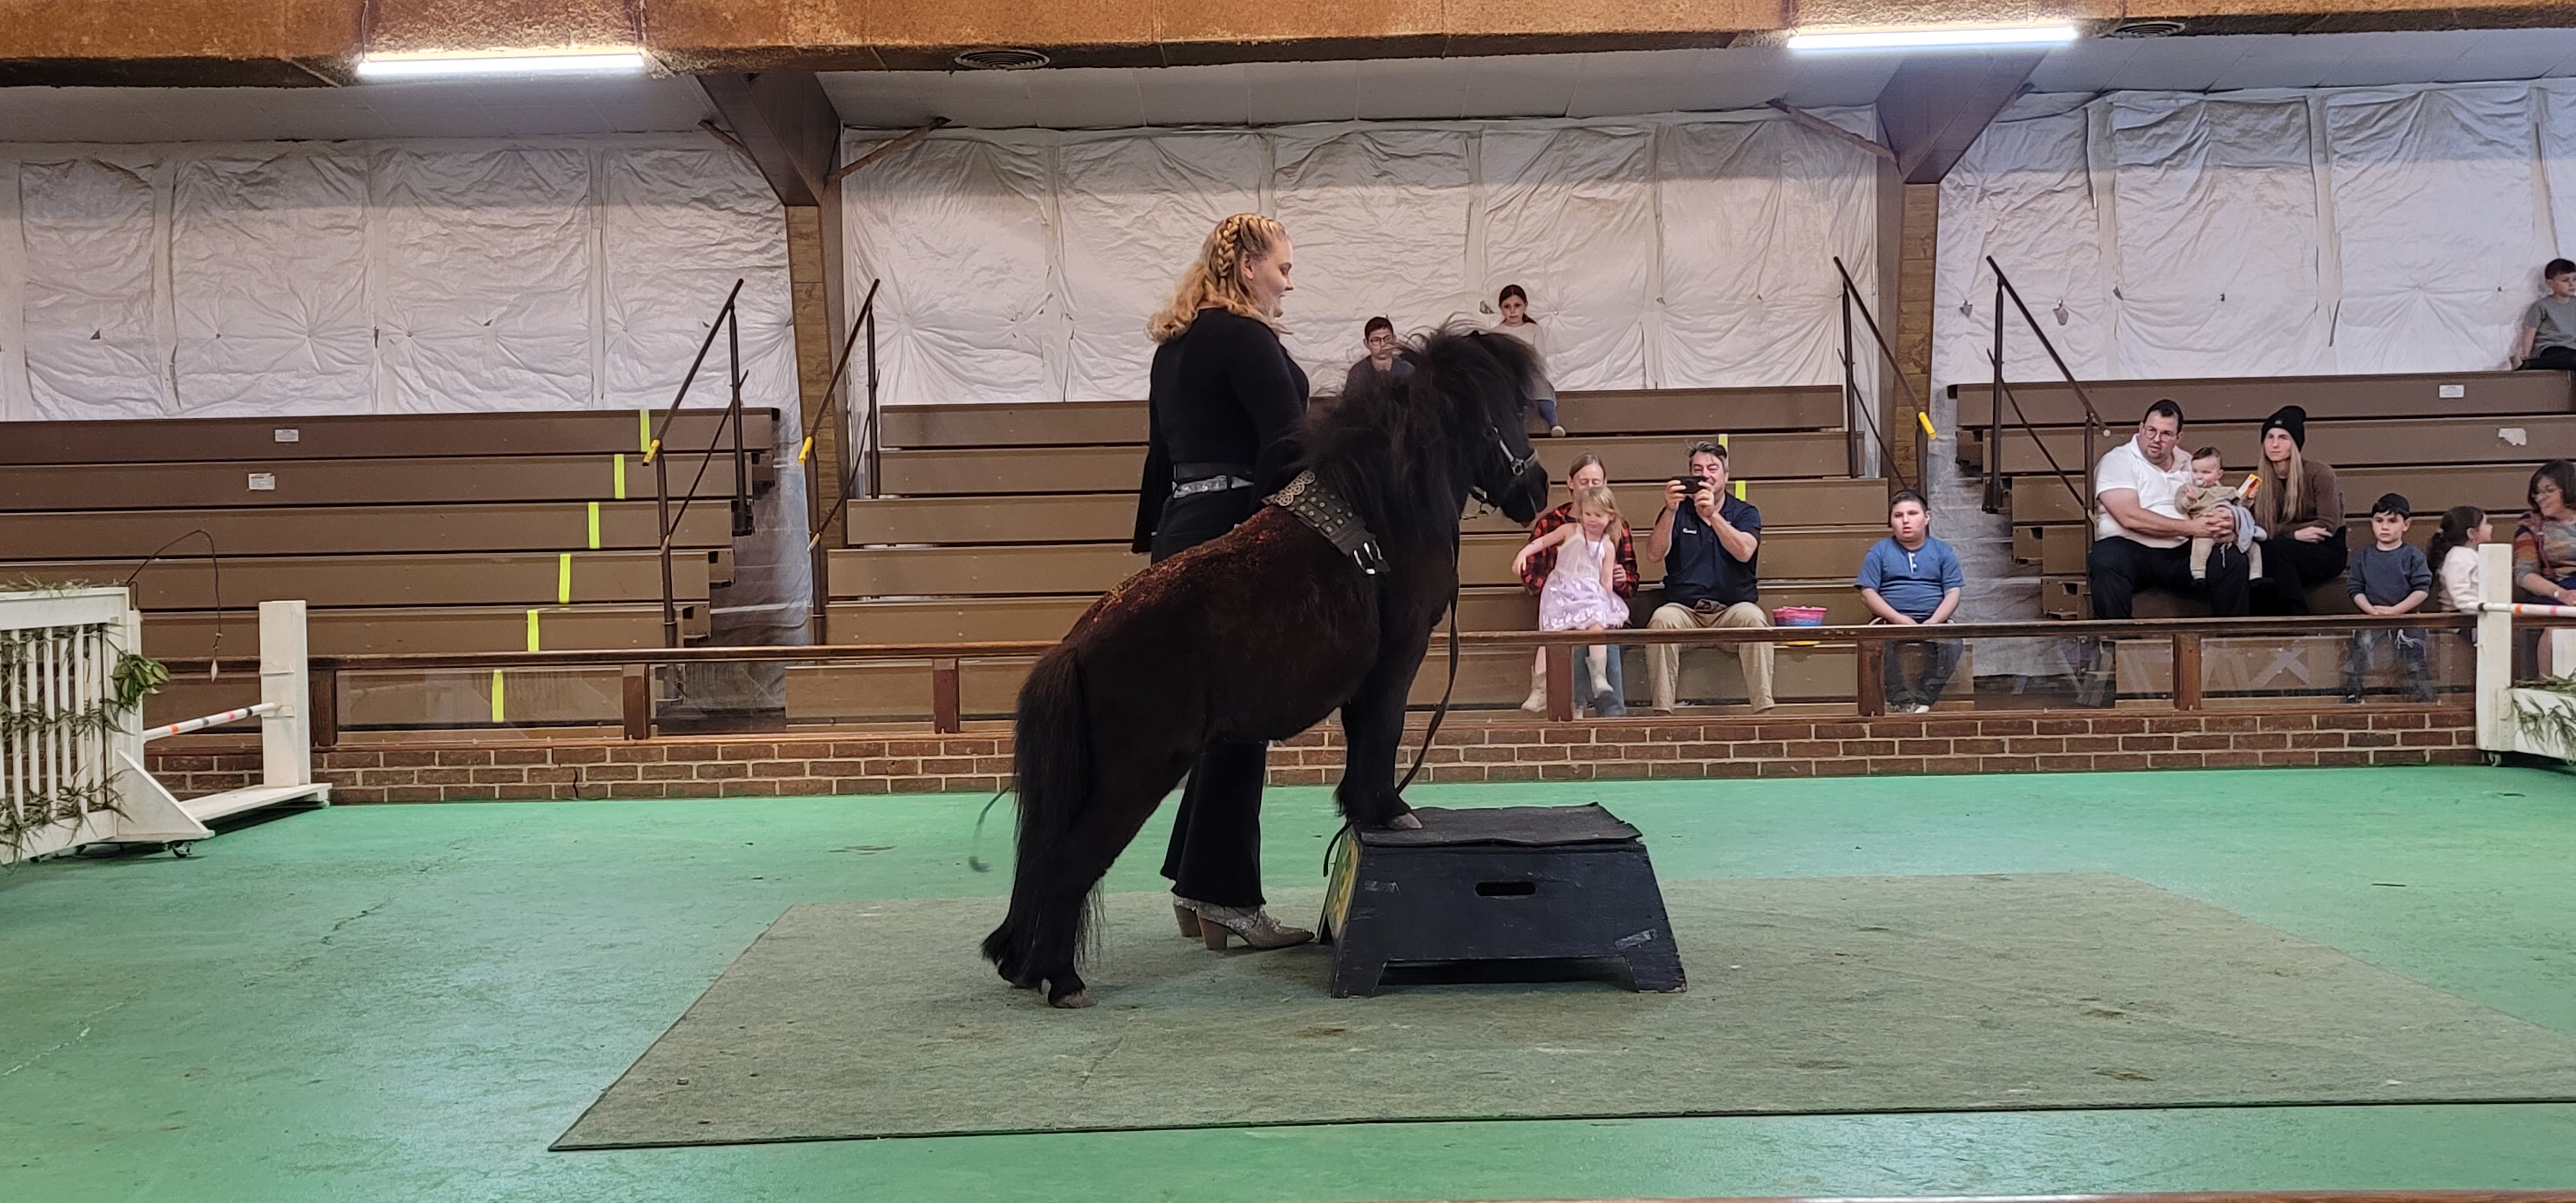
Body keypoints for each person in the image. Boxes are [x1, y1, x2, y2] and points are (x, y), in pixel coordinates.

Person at [1132, 213, 1311, 952]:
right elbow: (1290, 443)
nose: (1288, 283)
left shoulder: (1172, 347)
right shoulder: (1245, 338)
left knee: (1217, 721)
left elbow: (1158, 458)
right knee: (1243, 719)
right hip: (1237, 535)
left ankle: (1194, 882)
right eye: (1283, 268)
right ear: (1247, 267)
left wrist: (1157, 550)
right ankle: (1225, 895)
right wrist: (1281, 536)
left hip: (1181, 535)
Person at [2086, 399, 2250, 619]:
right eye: (2151, 430)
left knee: (2231, 559)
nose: (2156, 439)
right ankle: (2117, 638)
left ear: (2178, 437)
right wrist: (2192, 527)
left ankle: (2232, 636)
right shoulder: (2117, 460)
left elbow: (2215, 498)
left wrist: (2226, 517)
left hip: (2183, 552)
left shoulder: (2190, 463)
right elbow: (2129, 517)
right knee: (2106, 559)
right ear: (2141, 428)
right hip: (2130, 549)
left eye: (2166, 434)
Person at [1646, 440, 1773, 713]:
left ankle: (1764, 710)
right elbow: (1654, 555)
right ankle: (1662, 712)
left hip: (1731, 612)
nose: (1705, 475)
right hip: (1686, 612)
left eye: (1712, 469)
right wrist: (1670, 511)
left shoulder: (1745, 512)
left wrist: (1713, 515)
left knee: (1754, 619)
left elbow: (1744, 552)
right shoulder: (1676, 511)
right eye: (1697, 469)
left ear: (1725, 476)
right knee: (1661, 620)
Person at [1517, 454, 1638, 715]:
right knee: (1567, 637)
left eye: (1596, 481)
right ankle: (1569, 709)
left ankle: (1611, 712)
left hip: (1597, 602)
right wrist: (1562, 592)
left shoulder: (1614, 531)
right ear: (1571, 483)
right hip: (1561, 600)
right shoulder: (1554, 524)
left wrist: (1621, 580)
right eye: (1584, 481)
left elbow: (1629, 579)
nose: (1590, 487)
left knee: (1599, 633)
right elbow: (1532, 575)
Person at [1855, 489, 1964, 715]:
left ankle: (1924, 700)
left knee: (1953, 643)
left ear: (1927, 517)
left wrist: (1934, 621)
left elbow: (1953, 592)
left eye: (1913, 513)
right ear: (1891, 521)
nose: (1905, 520)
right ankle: (1901, 701)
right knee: (1874, 643)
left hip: (1935, 619)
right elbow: (1868, 593)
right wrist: (1898, 619)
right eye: (1898, 515)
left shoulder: (1943, 551)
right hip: (1889, 620)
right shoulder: (1878, 552)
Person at [2247, 404, 2347, 614]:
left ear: (2296, 444)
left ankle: (2297, 616)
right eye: (2270, 437)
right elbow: (2255, 526)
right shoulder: (2256, 481)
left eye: (2283, 438)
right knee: (2266, 554)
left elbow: (2327, 524)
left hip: (2325, 549)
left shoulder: (2321, 473)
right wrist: (2294, 534)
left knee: (2272, 553)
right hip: (2281, 550)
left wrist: (2279, 531)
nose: (2275, 444)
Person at [2345, 493, 2435, 704]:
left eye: (2393, 521)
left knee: (2414, 655)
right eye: (2379, 521)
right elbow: (2355, 589)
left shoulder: (2413, 555)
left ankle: (2424, 695)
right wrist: (2371, 611)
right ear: (2372, 523)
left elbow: (2422, 589)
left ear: (2406, 524)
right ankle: (2353, 692)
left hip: (2408, 618)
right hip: (2371, 617)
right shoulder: (2363, 556)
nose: (2385, 527)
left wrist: (2396, 611)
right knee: (2359, 652)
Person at [2174, 446, 2262, 583]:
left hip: (2228, 531)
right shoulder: (2188, 489)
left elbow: (2241, 507)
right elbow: (2180, 507)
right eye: (2195, 471)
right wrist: (2188, 499)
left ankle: (2256, 576)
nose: (2199, 476)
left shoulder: (2228, 491)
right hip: (2206, 529)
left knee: (2253, 547)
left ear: (2219, 474)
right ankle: (2198, 575)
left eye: (2206, 472)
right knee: (2200, 547)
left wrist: (2248, 498)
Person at [1491, 284, 1566, 437]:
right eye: (1507, 307)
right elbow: (1495, 360)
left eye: (1517, 306)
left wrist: (1524, 368)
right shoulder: (1496, 333)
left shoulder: (1534, 330)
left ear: (1525, 306)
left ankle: (1553, 423)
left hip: (1530, 374)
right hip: (1507, 377)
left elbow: (1539, 357)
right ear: (1501, 308)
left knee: (1540, 385)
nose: (1512, 311)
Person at [2514, 459, 2576, 603]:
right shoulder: (2530, 526)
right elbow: (2524, 574)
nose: (2540, 498)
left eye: (2549, 491)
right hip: (2558, 592)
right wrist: (2561, 594)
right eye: (2537, 493)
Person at [2514, 258, 2576, 371]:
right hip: (2550, 348)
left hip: (2572, 349)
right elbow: (2530, 332)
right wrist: (2525, 356)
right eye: (2565, 280)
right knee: (2572, 358)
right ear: (2551, 284)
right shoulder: (2542, 305)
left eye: (2575, 279)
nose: (2572, 284)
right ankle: (2528, 364)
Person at [2427, 505, 2490, 614]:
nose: (2490, 527)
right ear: (2471, 533)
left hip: (2475, 612)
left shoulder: (2468, 554)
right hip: (2462, 617)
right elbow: (2460, 592)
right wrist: (2481, 611)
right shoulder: (2458, 556)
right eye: (2485, 524)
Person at [1340, 316, 1412, 397]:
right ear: (1367, 343)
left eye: (1387, 339)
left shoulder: (1407, 370)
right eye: (1376, 340)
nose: (1383, 344)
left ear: (1394, 339)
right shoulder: (1358, 373)